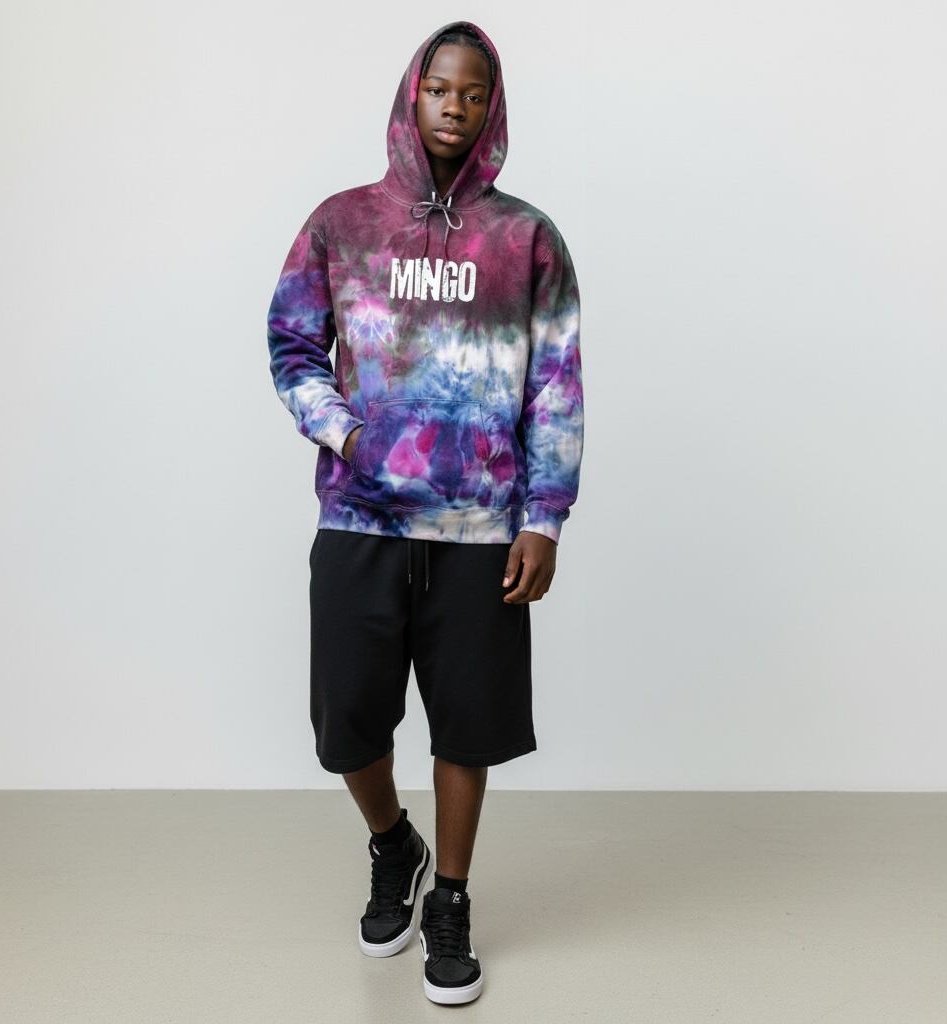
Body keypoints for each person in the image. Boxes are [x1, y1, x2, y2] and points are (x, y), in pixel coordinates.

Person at [266, 20, 583, 1006]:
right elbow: (292, 344)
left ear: (493, 106)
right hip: (360, 517)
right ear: (414, 95)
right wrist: (346, 434)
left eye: (474, 93)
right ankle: (391, 844)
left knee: (467, 727)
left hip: (481, 530)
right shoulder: (342, 223)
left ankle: (449, 897)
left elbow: (556, 383)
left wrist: (543, 516)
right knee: (345, 721)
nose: (455, 107)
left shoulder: (526, 238)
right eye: (440, 89)